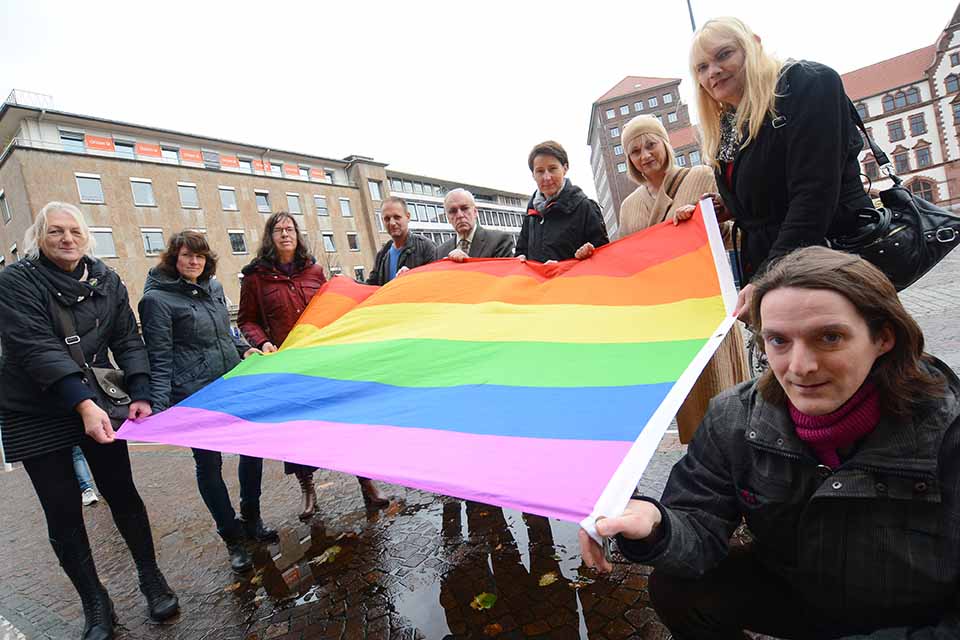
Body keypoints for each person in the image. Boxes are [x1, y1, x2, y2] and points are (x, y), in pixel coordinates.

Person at [581, 246, 960, 639]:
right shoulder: (735, 418)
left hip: (912, 619)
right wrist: (656, 525)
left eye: (829, 337)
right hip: (802, 593)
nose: (800, 367)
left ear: (883, 337)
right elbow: (698, 522)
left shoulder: (948, 430)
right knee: (676, 588)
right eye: (779, 340)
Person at [0, 202, 178, 640]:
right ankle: (95, 602)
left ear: (87, 236)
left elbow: (127, 338)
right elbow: (35, 346)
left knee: (122, 492)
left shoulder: (107, 279)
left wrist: (139, 391)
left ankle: (151, 577)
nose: (67, 239)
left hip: (96, 398)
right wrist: (81, 404)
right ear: (39, 237)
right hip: (32, 405)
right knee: (62, 512)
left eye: (74, 231)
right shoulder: (13, 282)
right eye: (56, 231)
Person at [690, 17, 873, 321]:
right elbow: (769, 192)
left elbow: (814, 192)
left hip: (827, 266)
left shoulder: (807, 83)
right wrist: (728, 208)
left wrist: (768, 278)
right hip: (774, 274)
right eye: (702, 67)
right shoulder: (727, 122)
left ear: (754, 45)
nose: (714, 72)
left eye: (724, 55)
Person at [239, 213, 388, 518]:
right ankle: (307, 488)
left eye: (290, 229)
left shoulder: (314, 271)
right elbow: (246, 320)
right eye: (278, 230)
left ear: (297, 234)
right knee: (298, 430)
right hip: (288, 366)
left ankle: (366, 481)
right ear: (270, 236)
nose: (285, 234)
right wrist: (263, 341)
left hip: (323, 361)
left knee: (346, 422)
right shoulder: (255, 277)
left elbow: (330, 307)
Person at [139, 230, 271, 574]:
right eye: (187, 255)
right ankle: (232, 537)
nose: (194, 261)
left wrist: (244, 349)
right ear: (174, 258)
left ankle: (252, 518)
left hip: (230, 383)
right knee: (209, 465)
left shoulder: (213, 287)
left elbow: (227, 333)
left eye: (199, 256)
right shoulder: (156, 300)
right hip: (194, 392)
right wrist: (160, 405)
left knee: (252, 450)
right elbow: (160, 356)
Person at [618, 115, 750, 443]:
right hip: (669, 318)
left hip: (706, 307)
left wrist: (704, 222)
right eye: (635, 151)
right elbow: (626, 260)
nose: (645, 155)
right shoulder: (628, 205)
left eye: (651, 144)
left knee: (725, 396)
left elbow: (735, 232)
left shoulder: (700, 177)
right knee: (692, 409)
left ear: (665, 143)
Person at [516, 140, 609, 263]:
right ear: (533, 175)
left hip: (573, 281)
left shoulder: (585, 207)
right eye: (540, 171)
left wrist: (583, 255)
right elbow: (521, 252)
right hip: (541, 282)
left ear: (565, 168)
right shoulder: (531, 213)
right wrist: (521, 259)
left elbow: (604, 255)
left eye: (552, 169)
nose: (547, 177)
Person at [366, 196, 438, 285]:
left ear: (408, 217)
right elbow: (371, 286)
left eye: (397, 217)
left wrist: (412, 277)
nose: (392, 223)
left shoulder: (426, 247)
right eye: (387, 219)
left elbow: (437, 281)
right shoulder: (382, 254)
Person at [437, 188, 515, 262]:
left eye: (464, 208)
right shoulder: (440, 252)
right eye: (453, 211)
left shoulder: (500, 240)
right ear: (448, 218)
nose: (460, 215)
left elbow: (505, 273)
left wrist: (469, 262)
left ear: (475, 212)